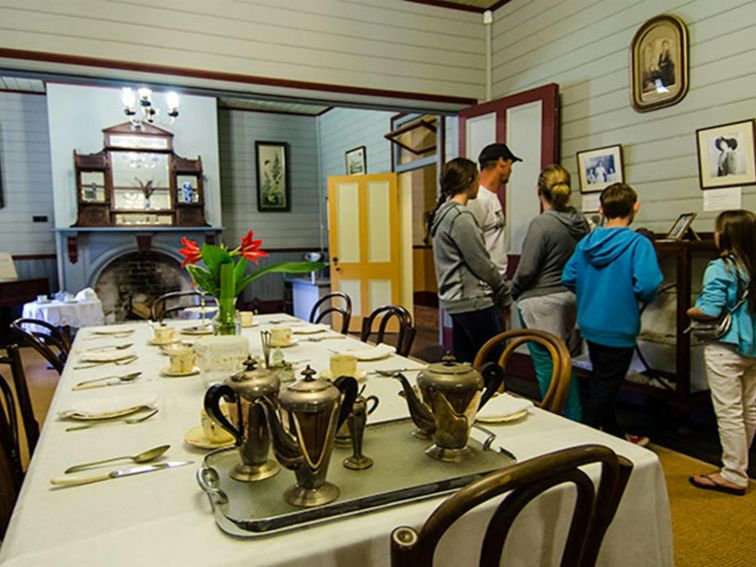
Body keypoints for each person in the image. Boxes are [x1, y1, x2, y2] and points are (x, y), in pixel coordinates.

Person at [562, 183, 663, 441]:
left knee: (601, 382)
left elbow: (569, 276)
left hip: (590, 323)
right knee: (605, 387)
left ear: (601, 209)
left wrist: (589, 290)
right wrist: (636, 296)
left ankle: (616, 436)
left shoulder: (586, 243)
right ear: (635, 207)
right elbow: (649, 283)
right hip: (619, 325)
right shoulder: (638, 244)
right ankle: (582, 441)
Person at [687, 209, 756, 496]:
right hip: (753, 346)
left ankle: (733, 473)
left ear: (725, 235)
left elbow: (710, 310)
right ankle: (740, 465)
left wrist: (691, 310)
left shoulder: (720, 267)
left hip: (725, 346)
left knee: (729, 412)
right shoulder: (752, 265)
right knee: (750, 408)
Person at [512, 165, 588, 421]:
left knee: (546, 364)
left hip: (540, 301)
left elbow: (527, 269)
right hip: (569, 299)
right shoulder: (580, 222)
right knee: (564, 361)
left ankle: (555, 419)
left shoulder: (542, 224)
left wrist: (511, 291)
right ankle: (575, 416)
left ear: (538, 191)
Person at [428, 158, 512, 363]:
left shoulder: (443, 213)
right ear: (469, 180)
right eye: (476, 177)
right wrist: (503, 292)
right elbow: (481, 263)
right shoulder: (460, 217)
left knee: (467, 364)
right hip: (472, 301)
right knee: (492, 364)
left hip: (457, 300)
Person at [467, 143, 521, 279]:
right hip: (484, 284)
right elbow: (472, 248)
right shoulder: (477, 199)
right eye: (510, 164)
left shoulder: (491, 197)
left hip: (497, 282)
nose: (511, 170)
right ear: (501, 162)